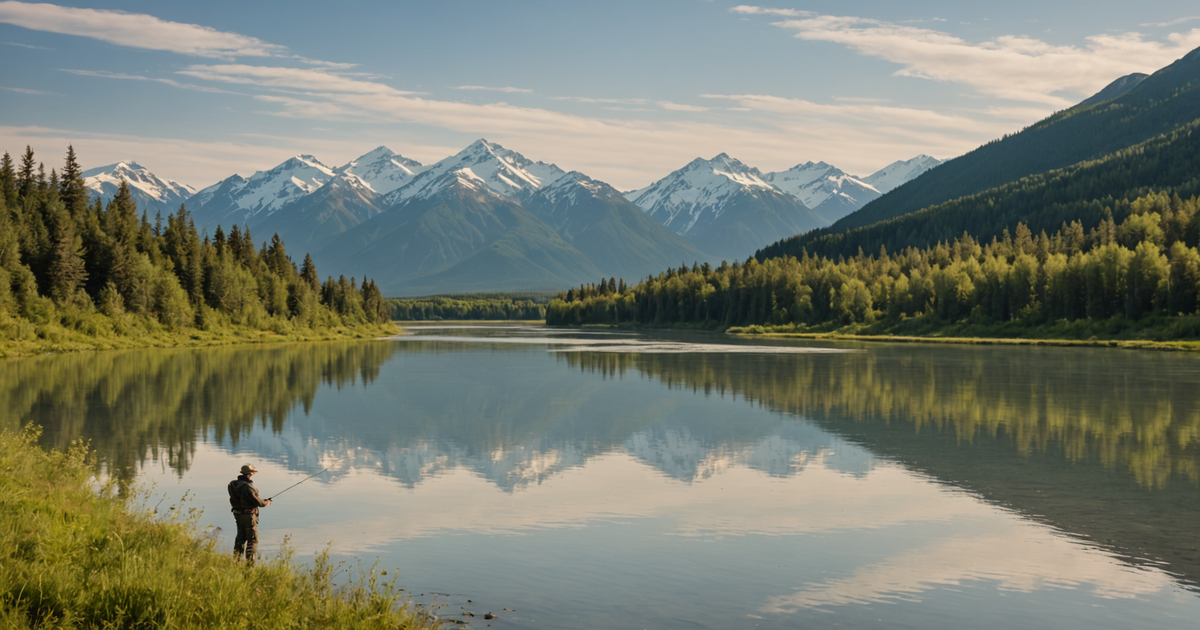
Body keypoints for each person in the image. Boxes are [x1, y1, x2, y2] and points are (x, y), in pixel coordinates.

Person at [228, 463, 271, 564]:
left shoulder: (232, 484)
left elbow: (245, 499)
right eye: (252, 473)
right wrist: (266, 502)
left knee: (240, 538)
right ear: (250, 473)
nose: (253, 474)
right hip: (249, 516)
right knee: (252, 540)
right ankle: (249, 565)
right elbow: (258, 502)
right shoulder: (248, 487)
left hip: (238, 515)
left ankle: (236, 561)